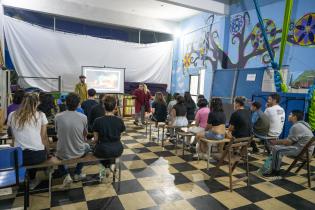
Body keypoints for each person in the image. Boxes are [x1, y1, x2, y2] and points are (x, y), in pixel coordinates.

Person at [7, 93, 49, 189]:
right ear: (36, 103)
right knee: (40, 153)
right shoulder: (41, 115)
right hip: (37, 156)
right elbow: (44, 137)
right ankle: (33, 179)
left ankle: (24, 177)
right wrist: (48, 151)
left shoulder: (12, 115)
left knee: (26, 155)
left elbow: (13, 137)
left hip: (18, 156)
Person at [55, 93, 90, 187]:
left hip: (62, 152)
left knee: (57, 151)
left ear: (65, 103)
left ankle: (66, 174)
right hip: (79, 151)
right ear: (78, 104)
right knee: (88, 147)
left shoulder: (58, 116)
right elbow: (85, 134)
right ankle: (77, 173)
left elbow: (57, 132)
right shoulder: (83, 117)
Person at [266, 110, 314, 176]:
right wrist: (278, 142)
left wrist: (275, 142)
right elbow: (291, 141)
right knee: (277, 148)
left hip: (302, 152)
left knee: (277, 150)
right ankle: (274, 169)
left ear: (295, 117)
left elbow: (288, 143)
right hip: (306, 151)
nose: (288, 116)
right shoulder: (303, 125)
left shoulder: (296, 126)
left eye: (290, 114)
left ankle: (274, 172)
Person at [93, 95, 125, 182]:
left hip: (103, 150)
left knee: (101, 150)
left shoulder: (97, 121)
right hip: (118, 149)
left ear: (103, 106)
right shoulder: (119, 120)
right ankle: (112, 164)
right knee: (111, 149)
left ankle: (106, 167)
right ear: (115, 106)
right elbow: (120, 136)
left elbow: (95, 140)